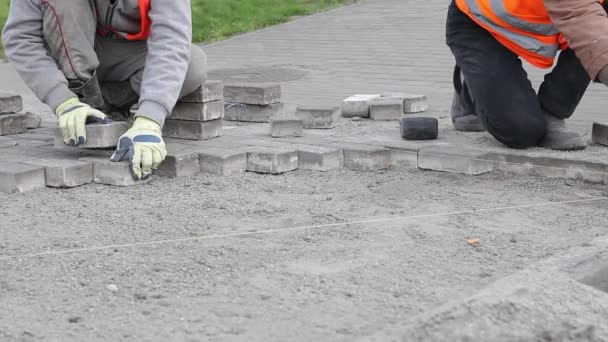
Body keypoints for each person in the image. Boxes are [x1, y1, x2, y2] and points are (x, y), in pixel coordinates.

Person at [1, 0, 207, 179]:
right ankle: (83, 103)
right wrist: (63, 100)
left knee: (193, 64)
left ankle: (111, 106)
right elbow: (20, 37)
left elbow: (171, 40)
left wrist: (150, 119)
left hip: (128, 55)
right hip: (72, 52)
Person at [446, 0, 608, 151]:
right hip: (480, 22)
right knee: (521, 131)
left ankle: (553, 110)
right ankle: (469, 85)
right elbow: (579, 14)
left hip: (541, 16)